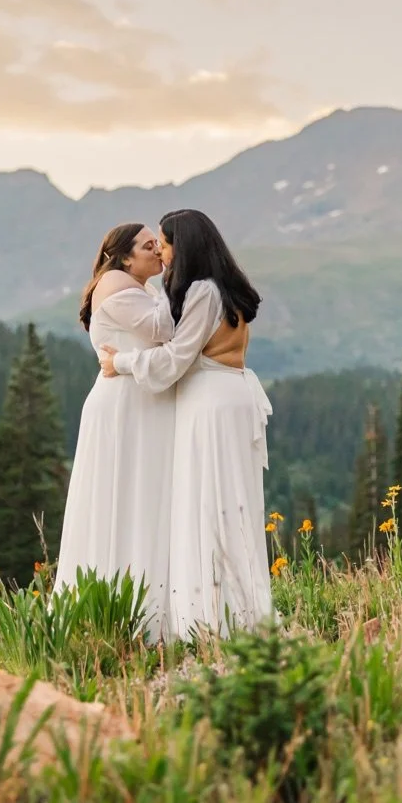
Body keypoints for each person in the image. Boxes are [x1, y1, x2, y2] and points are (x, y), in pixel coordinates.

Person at [100, 209, 273, 640]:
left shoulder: (202, 292)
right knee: (228, 503)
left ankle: (212, 621)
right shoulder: (220, 289)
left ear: (186, 245)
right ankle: (235, 614)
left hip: (210, 402)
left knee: (207, 503)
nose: (162, 250)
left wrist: (119, 361)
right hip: (228, 395)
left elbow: (178, 357)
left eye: (165, 241)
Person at [54, 222, 177, 639]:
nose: (158, 251)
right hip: (126, 404)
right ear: (124, 256)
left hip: (140, 400)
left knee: (143, 498)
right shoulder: (116, 284)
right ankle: (122, 614)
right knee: (127, 499)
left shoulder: (136, 287)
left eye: (160, 244)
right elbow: (166, 331)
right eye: (148, 246)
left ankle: (145, 608)